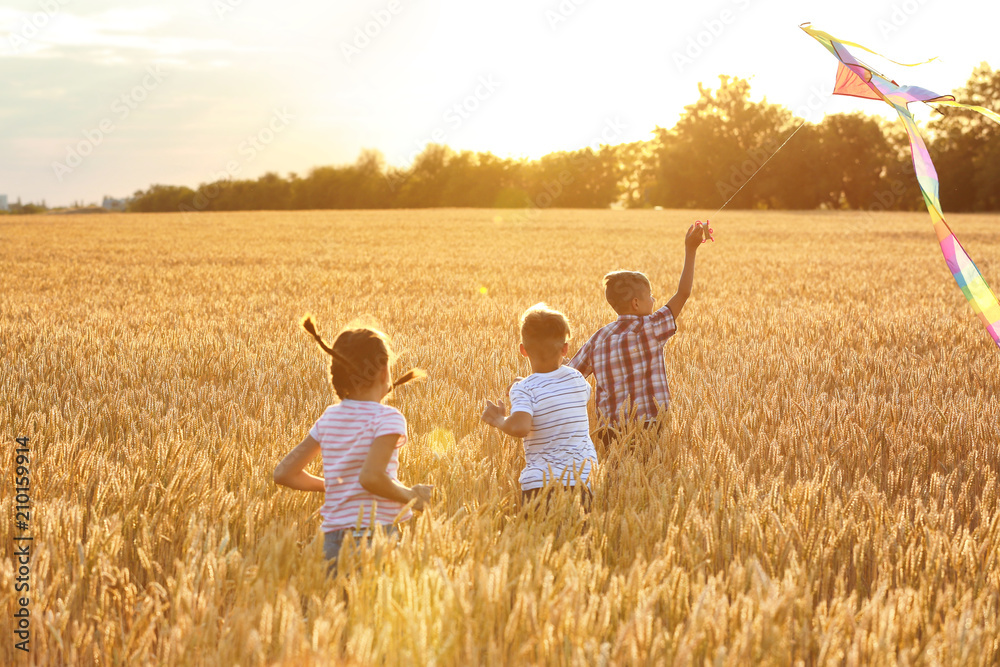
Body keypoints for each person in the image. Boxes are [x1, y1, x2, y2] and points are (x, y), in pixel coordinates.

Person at [273, 314, 432, 572]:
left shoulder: (330, 417)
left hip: (332, 540)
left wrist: (338, 486)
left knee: (339, 608)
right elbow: (371, 477)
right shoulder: (388, 418)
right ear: (383, 372)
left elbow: (283, 473)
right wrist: (411, 497)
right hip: (375, 536)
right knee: (373, 609)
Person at [567, 223, 710, 448]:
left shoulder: (598, 339)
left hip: (610, 429)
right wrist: (690, 250)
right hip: (651, 424)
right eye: (650, 296)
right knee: (650, 477)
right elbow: (683, 293)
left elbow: (570, 376)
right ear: (636, 303)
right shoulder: (651, 328)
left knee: (617, 477)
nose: (654, 301)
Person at [480, 303, 598, 508]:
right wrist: (528, 383)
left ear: (523, 350)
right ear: (565, 348)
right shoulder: (577, 379)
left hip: (542, 484)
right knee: (579, 536)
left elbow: (520, 427)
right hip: (584, 479)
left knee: (540, 538)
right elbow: (559, 392)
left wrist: (498, 419)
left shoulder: (524, 389)